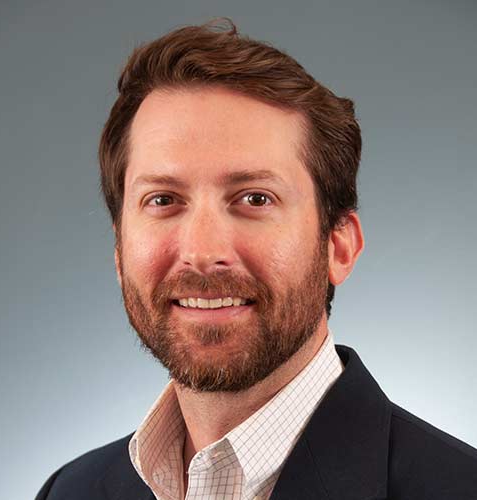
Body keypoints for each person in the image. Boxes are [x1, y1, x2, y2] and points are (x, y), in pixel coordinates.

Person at [36, 19, 477, 500]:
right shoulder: (70, 490)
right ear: (120, 252)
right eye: (163, 200)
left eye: (255, 199)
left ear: (339, 246)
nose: (203, 254)